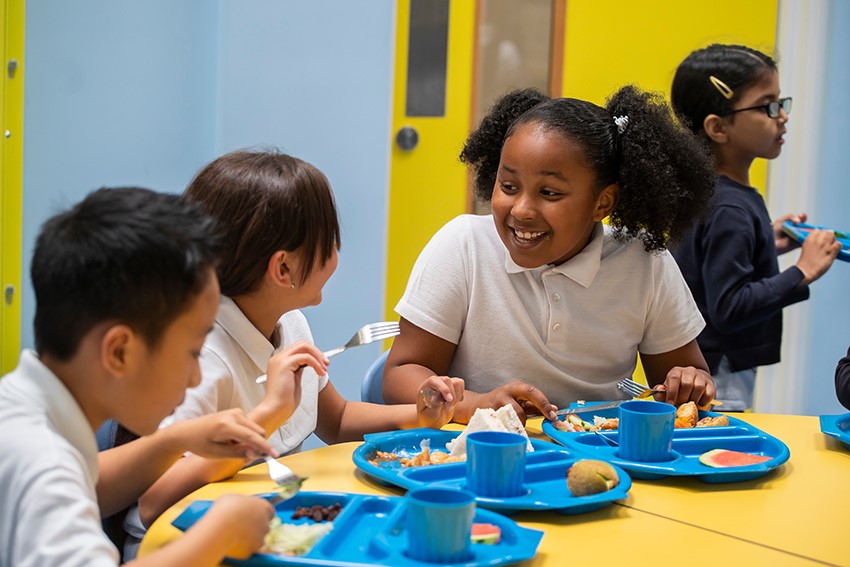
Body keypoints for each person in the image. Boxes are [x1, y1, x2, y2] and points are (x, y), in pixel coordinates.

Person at [127, 150, 464, 549]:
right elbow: (152, 502)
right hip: (182, 544)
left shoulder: (289, 323)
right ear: (283, 269)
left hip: (264, 529)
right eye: (330, 243)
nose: (337, 254)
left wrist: (419, 416)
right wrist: (265, 418)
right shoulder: (201, 358)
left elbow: (336, 420)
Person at [382, 85, 718, 424]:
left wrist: (690, 383)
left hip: (601, 455)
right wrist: (474, 404)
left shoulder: (644, 262)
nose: (522, 210)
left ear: (602, 203)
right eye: (509, 187)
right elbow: (400, 374)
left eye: (550, 193)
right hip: (481, 456)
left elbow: (683, 385)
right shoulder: (464, 246)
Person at [0, 187, 278, 566]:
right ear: (119, 352)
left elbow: (87, 484)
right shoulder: (42, 462)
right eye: (193, 353)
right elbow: (56, 482)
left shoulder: (21, 408)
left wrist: (175, 440)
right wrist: (219, 535)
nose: (196, 378)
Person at [669, 44, 841, 411]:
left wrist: (767, 243)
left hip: (699, 366)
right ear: (717, 127)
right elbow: (730, 307)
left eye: (781, 102)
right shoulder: (731, 207)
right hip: (719, 378)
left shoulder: (708, 193)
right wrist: (802, 271)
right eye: (768, 106)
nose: (782, 117)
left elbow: (704, 261)